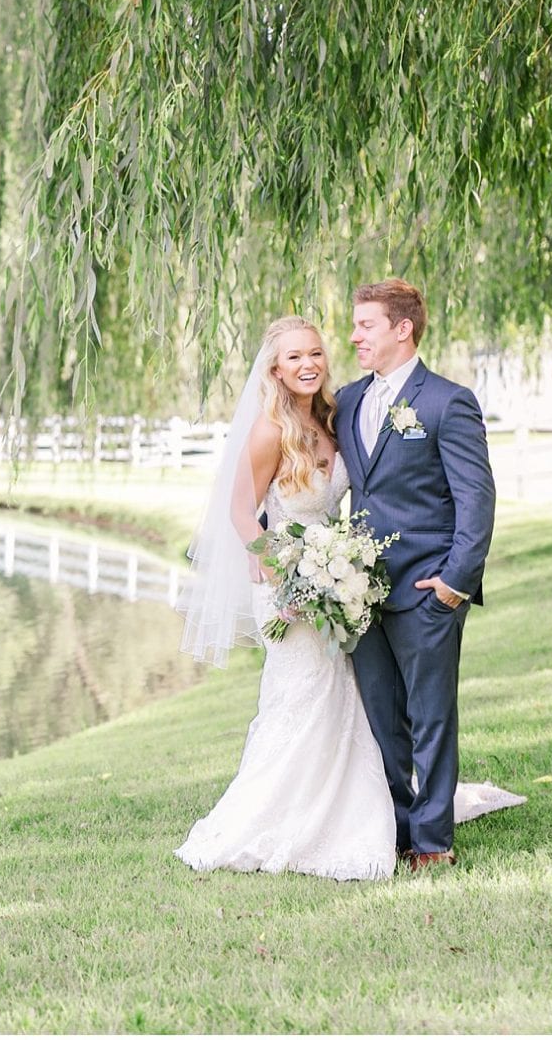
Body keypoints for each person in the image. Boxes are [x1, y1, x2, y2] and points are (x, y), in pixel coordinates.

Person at [174, 306, 518, 881]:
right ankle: (292, 819)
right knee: (309, 706)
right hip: (294, 588)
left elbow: (456, 496)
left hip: (349, 586)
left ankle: (412, 832)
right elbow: (241, 512)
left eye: (316, 353)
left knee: (371, 709)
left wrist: (447, 579)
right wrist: (282, 575)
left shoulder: (341, 413)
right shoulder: (272, 428)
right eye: (294, 357)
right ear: (275, 370)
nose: (311, 362)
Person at [335, 278, 498, 870]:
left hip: (429, 590)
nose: (353, 336)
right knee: (382, 721)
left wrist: (455, 582)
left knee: (430, 719)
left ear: (402, 329)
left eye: (365, 325)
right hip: (358, 592)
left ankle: (433, 842)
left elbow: (476, 500)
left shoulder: (446, 402)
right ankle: (398, 832)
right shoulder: (349, 400)